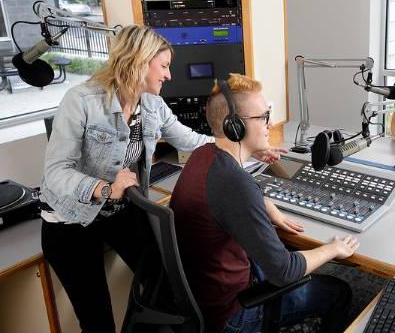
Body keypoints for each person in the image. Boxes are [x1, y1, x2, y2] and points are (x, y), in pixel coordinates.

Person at [39, 25, 281, 333]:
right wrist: (104, 188)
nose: (168, 75)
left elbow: (191, 140)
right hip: (70, 221)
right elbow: (56, 171)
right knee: (96, 318)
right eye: (164, 66)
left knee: (167, 285)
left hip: (119, 211)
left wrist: (246, 145)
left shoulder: (152, 105)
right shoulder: (82, 100)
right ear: (138, 62)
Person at [170, 73, 359, 333]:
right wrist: (332, 249)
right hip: (232, 315)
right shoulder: (234, 183)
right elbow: (284, 271)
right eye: (264, 117)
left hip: (200, 297)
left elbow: (235, 189)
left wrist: (263, 202)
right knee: (340, 291)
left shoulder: (203, 155)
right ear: (234, 126)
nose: (270, 124)